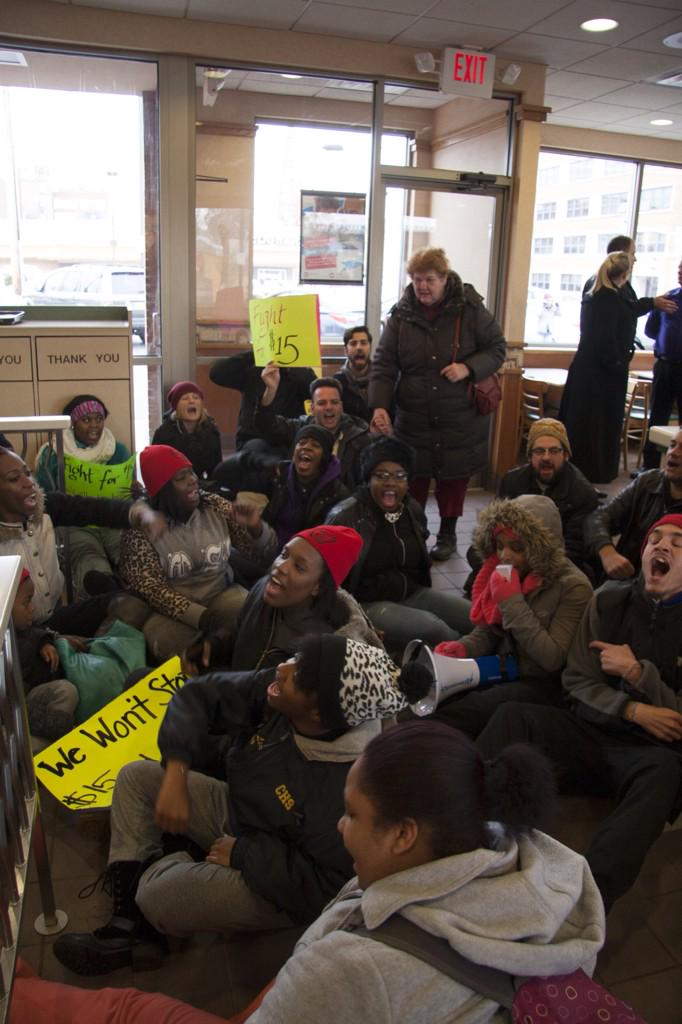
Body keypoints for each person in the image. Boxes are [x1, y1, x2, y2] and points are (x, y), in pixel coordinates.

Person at [27, 721, 605, 1021]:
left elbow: (316, 896)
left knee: (121, 1008)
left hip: (310, 933)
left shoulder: (352, 967)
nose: (340, 826)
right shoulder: (549, 870)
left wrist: (247, 854)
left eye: (353, 816)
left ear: (404, 834)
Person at [51, 636, 431, 976]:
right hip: (239, 811)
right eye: (296, 658)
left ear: (318, 713)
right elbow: (197, 695)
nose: (283, 669)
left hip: (272, 878)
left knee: (157, 896)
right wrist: (175, 773)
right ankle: (129, 927)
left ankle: (161, 870)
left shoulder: (349, 790)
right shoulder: (279, 690)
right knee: (136, 777)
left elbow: (327, 887)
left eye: (297, 674)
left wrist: (245, 854)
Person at [478, 513, 682, 912]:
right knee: (512, 715)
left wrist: (640, 674)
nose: (662, 546)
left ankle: (585, 901)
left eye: (678, 542)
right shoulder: (609, 599)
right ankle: (461, 825)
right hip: (598, 729)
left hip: (649, 754)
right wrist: (632, 708)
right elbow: (577, 680)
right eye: (654, 537)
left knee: (666, 774)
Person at [368, 247, 506, 561]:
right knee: (412, 477)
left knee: (453, 479)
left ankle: (447, 534)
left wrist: (468, 368)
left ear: (444, 279)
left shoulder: (470, 309)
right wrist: (379, 406)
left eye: (429, 279)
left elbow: (497, 348)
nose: (422, 286)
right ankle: (416, 530)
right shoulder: (401, 315)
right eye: (417, 279)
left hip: (459, 416)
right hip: (413, 416)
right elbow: (384, 364)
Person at [432, 494, 593, 739]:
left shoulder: (574, 587)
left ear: (540, 547)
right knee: (439, 698)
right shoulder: (507, 570)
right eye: (499, 545)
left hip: (541, 684)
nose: (505, 555)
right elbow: (490, 629)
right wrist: (463, 648)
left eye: (517, 547)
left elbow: (551, 659)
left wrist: (512, 601)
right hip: (502, 665)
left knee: (463, 713)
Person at [117, 445, 277, 664]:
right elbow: (152, 590)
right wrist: (204, 618)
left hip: (221, 592)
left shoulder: (215, 506)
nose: (193, 480)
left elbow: (261, 558)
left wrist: (256, 529)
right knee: (190, 654)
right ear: (163, 488)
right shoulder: (142, 527)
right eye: (181, 477)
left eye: (191, 472)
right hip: (170, 612)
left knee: (259, 623)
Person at [325, 437, 471, 656]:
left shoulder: (412, 510)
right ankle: (464, 667)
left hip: (413, 592)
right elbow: (328, 581)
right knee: (437, 630)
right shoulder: (346, 516)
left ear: (408, 481)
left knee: (475, 616)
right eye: (381, 475)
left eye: (399, 475)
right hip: (367, 603)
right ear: (368, 479)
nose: (391, 482)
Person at [0, 447, 162, 636]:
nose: (29, 483)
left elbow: (91, 508)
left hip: (54, 619)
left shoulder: (46, 507)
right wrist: (43, 640)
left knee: (132, 600)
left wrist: (137, 513)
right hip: (16, 638)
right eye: (14, 478)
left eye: (27, 473)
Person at [187, 525, 381, 674]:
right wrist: (214, 646)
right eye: (284, 554)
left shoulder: (322, 645)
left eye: (299, 567)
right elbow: (240, 628)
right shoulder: (263, 587)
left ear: (318, 587)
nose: (280, 566)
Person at [34, 394, 132, 597]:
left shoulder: (117, 450)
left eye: (99, 419)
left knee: (131, 557)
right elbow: (43, 495)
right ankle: (105, 608)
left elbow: (126, 489)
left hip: (112, 520)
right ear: (72, 424)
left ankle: (139, 603)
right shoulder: (53, 453)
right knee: (92, 565)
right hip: (76, 524)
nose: (94, 425)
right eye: (86, 420)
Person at [559, 251, 635, 483]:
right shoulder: (609, 298)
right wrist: (619, 363)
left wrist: (651, 304)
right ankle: (591, 477)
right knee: (595, 430)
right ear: (623, 275)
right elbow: (606, 341)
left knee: (580, 426)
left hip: (584, 369)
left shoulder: (593, 290)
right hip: (601, 376)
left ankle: (574, 475)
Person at [499, 418, 598, 575]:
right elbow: (497, 529)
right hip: (511, 552)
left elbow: (574, 549)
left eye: (554, 451)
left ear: (566, 455)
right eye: (539, 451)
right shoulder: (511, 481)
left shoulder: (583, 493)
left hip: (555, 565)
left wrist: (526, 564)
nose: (546, 457)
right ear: (530, 456)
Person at [584, 428, 682, 581]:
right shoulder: (648, 482)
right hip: (624, 581)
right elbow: (599, 517)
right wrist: (607, 552)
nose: (673, 452)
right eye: (672, 445)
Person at [254, 371, 371, 488]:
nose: (329, 407)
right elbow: (266, 424)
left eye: (334, 402)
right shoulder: (300, 427)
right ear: (312, 408)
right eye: (322, 403)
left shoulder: (359, 437)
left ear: (341, 406)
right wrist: (271, 389)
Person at [12, 568, 81, 750]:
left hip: (26, 705)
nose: (32, 608)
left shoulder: (18, 632)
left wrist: (44, 641)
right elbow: (13, 710)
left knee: (66, 690)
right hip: (11, 715)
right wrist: (58, 725)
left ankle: (51, 745)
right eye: (26, 603)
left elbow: (31, 633)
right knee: (23, 749)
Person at [209, 349, 314, 452]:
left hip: (287, 438)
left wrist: (293, 366)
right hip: (253, 439)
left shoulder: (300, 373)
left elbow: (317, 393)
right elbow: (217, 373)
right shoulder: (254, 370)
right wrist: (257, 353)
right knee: (258, 449)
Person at [264, 424, 348, 547]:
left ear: (324, 457)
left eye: (315, 445)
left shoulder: (338, 494)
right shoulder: (278, 477)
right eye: (302, 443)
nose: (307, 447)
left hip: (307, 558)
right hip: (270, 549)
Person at [642, 258, 682, 470]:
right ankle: (648, 467)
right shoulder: (667, 299)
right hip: (665, 365)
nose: (680, 272)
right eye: (679, 268)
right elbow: (650, 331)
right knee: (657, 415)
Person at [151, 381, 223, 482]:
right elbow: (155, 471)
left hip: (199, 487)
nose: (191, 401)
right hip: (171, 488)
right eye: (185, 398)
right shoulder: (163, 434)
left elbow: (215, 472)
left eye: (196, 397)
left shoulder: (211, 432)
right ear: (176, 407)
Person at [333, 325, 372, 422]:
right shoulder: (337, 382)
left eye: (364, 343)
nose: (359, 348)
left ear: (370, 347)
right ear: (345, 350)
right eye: (353, 343)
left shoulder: (382, 380)